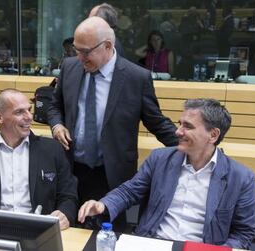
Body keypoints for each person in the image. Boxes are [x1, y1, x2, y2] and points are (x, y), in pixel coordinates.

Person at [47, 17, 177, 230]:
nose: (79, 57)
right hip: (71, 169)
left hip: (111, 175)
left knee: (108, 235)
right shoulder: (70, 67)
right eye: (76, 49)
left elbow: (157, 122)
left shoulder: (136, 78)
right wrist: (57, 125)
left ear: (107, 46)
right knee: (67, 231)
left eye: (85, 52)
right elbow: (54, 106)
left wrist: (189, 146)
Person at [78, 98, 255, 249]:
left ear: (213, 135)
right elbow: (129, 191)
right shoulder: (160, 159)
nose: (178, 131)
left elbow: (243, 234)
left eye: (187, 126)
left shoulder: (240, 178)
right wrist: (103, 205)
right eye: (179, 124)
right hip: (154, 244)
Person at [0, 89, 78, 230]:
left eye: (29, 110)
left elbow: (69, 196)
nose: (29, 117)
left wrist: (65, 214)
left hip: (40, 232)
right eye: (19, 112)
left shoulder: (52, 150)